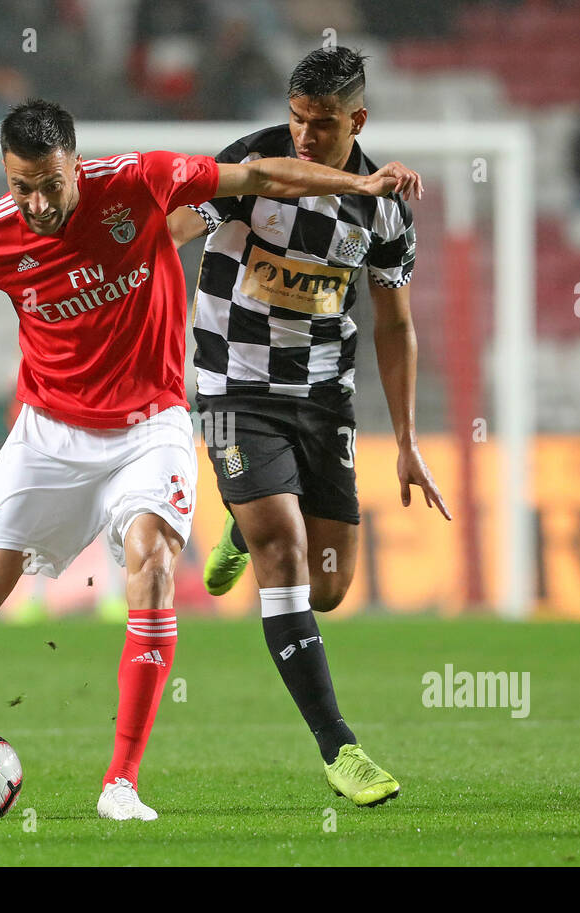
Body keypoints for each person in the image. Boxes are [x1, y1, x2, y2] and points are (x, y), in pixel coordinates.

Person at [0, 98, 420, 821]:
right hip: (49, 431)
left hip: (152, 426)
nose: (40, 202)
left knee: (151, 564)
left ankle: (121, 783)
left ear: (75, 165)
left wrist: (358, 187)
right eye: (23, 186)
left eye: (52, 183)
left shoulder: (139, 181)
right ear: (6, 176)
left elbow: (260, 174)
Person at [167, 47, 448, 807]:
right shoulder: (250, 163)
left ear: (358, 119)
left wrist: (411, 439)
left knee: (329, 588)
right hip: (234, 388)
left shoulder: (385, 211)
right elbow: (173, 231)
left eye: (321, 124)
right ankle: (340, 748)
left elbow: (394, 326)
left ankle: (244, 518)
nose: (303, 134)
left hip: (325, 399)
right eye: (295, 117)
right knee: (283, 550)